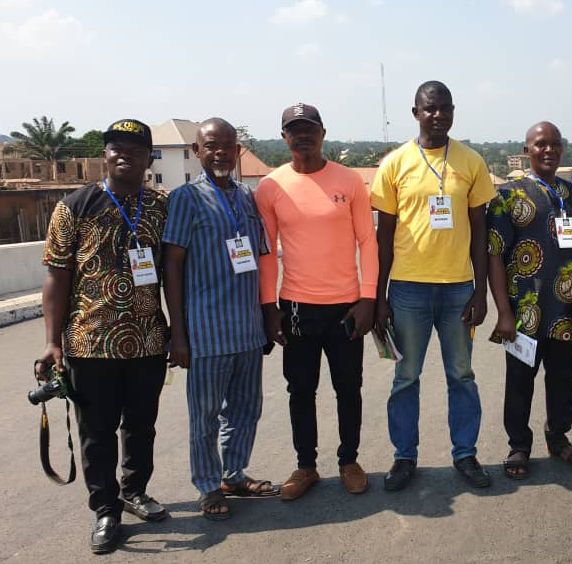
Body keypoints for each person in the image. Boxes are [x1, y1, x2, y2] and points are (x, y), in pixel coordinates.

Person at [36, 119, 168, 554]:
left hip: (148, 341)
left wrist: (178, 333)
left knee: (142, 427)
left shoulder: (160, 206)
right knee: (96, 433)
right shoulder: (74, 206)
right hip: (90, 344)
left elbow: (173, 273)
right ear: (104, 155)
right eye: (115, 147)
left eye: (135, 147)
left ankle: (134, 491)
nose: (123, 154)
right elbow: (56, 277)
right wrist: (53, 342)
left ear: (149, 158)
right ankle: (105, 509)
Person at [371, 80, 496, 490]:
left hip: (458, 288)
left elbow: (480, 232)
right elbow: (382, 239)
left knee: (461, 375)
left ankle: (465, 454)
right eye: (430, 108)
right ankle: (404, 456)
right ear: (416, 113)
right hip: (408, 290)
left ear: (453, 111)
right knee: (405, 376)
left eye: (445, 108)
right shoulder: (395, 164)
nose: (438, 115)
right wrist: (379, 297)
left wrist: (480, 292)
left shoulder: (471, 162)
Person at [255, 103, 376, 499]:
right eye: (294, 130)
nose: (302, 136)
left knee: (349, 388)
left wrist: (368, 298)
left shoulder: (351, 180)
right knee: (300, 390)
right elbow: (267, 251)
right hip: (296, 307)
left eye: (309, 129)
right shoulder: (271, 187)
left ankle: (349, 460)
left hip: (346, 305)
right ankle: (305, 465)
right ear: (284, 137)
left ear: (323, 133)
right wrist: (268, 306)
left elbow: (367, 241)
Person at [163, 118, 278, 521]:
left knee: (247, 409)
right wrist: (178, 333)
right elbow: (172, 267)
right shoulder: (185, 199)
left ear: (237, 151)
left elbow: (262, 259)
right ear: (197, 151)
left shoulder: (248, 198)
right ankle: (208, 485)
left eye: (228, 146)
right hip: (206, 333)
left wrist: (267, 317)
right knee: (205, 415)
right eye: (211, 146)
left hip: (247, 330)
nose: (220, 154)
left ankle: (233, 473)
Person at [487, 121, 572, 479]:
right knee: (519, 380)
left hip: (566, 309)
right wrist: (503, 311)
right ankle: (519, 445)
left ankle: (558, 437)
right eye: (540, 144)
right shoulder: (508, 197)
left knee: (564, 378)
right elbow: (495, 256)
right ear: (527, 150)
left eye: (555, 144)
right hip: (524, 310)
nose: (548, 150)